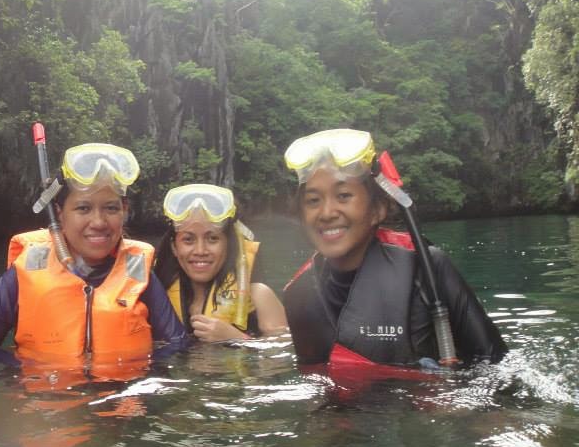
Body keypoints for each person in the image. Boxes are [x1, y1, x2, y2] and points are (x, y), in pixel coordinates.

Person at [281, 128, 507, 367]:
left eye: (344, 196)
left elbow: (497, 369)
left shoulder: (427, 268)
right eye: (313, 200)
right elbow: (315, 382)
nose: (326, 213)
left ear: (378, 209)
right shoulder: (299, 294)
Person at [0, 142, 187, 371]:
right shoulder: (27, 270)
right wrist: (24, 370)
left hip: (122, 398)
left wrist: (144, 372)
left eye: (111, 208)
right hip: (46, 398)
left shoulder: (137, 270)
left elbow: (176, 344)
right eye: (83, 208)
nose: (99, 222)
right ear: (60, 214)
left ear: (125, 210)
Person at [153, 184, 288, 342]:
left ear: (228, 245)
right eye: (188, 240)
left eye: (213, 239)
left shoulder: (260, 295)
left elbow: (282, 356)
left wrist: (237, 339)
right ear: (174, 247)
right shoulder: (156, 298)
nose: (200, 251)